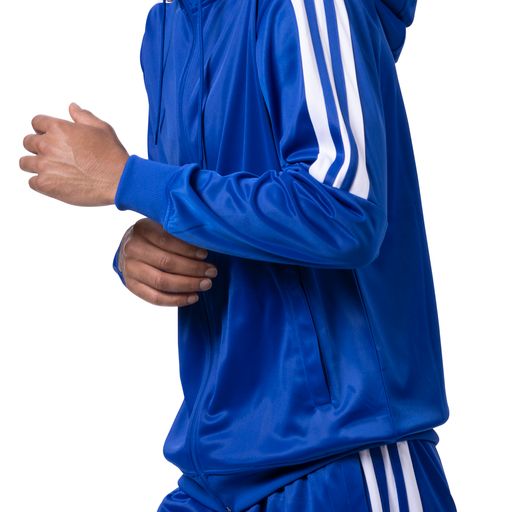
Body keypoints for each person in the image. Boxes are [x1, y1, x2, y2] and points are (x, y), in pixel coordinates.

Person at [19, 0, 458, 510]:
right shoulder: (167, 26)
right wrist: (143, 246)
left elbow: (343, 211)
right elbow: (209, 208)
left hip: (343, 460)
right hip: (215, 468)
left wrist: (129, 180)